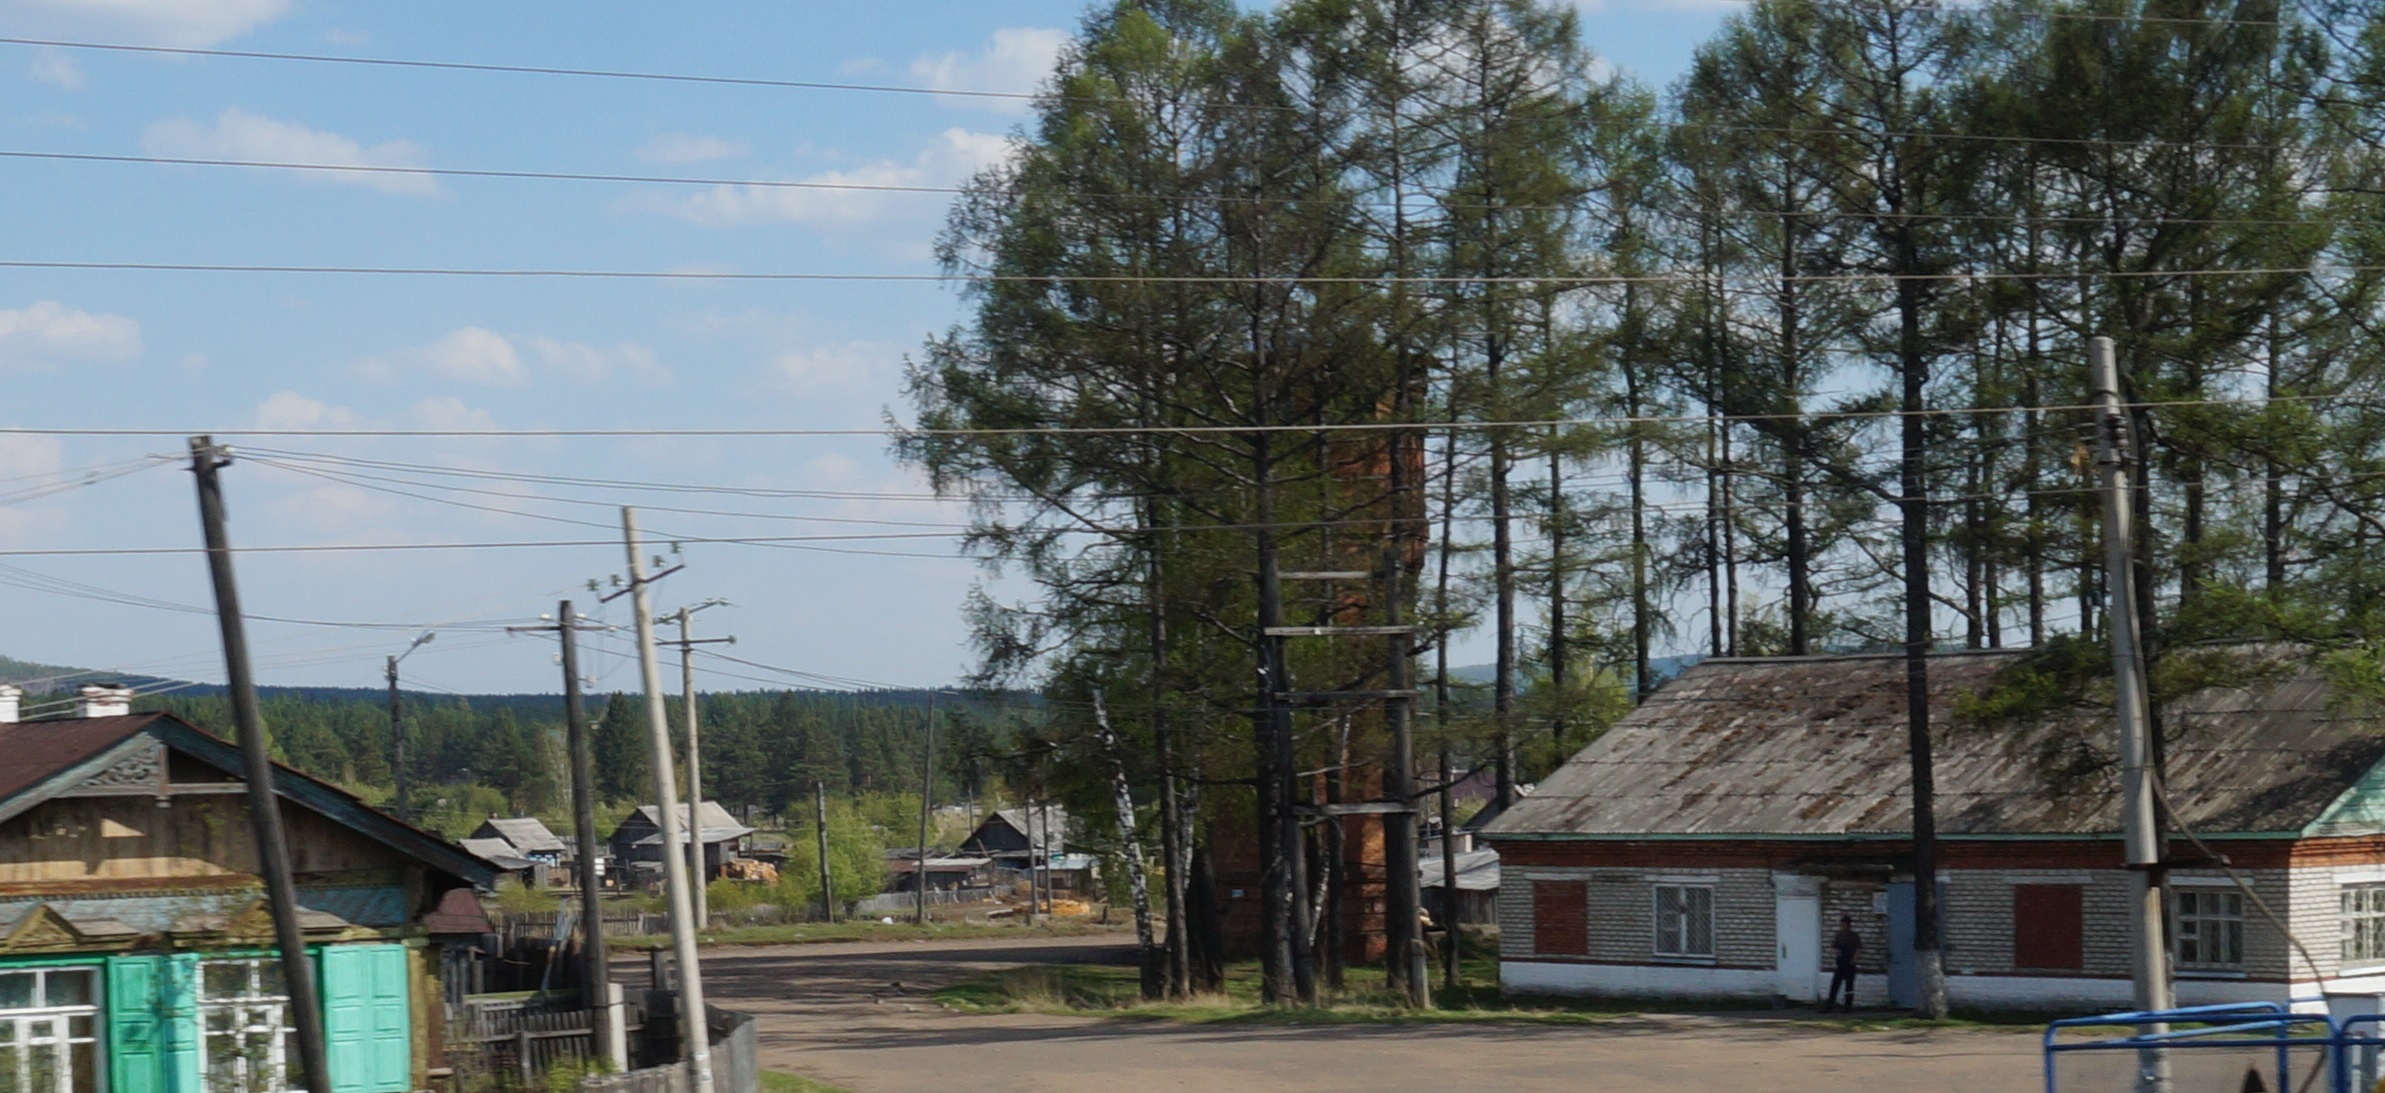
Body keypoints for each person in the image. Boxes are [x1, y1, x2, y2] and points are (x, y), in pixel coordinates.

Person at [1823, 914, 1861, 1013]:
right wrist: (1837, 952)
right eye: (1841, 925)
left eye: (1844, 925)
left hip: (1850, 964)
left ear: (1849, 925)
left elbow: (1858, 949)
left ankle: (1848, 1007)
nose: (1843, 926)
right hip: (1840, 963)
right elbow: (1833, 947)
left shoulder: (1854, 936)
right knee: (1835, 985)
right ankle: (1829, 1006)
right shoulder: (1839, 935)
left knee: (1849, 987)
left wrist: (1853, 960)